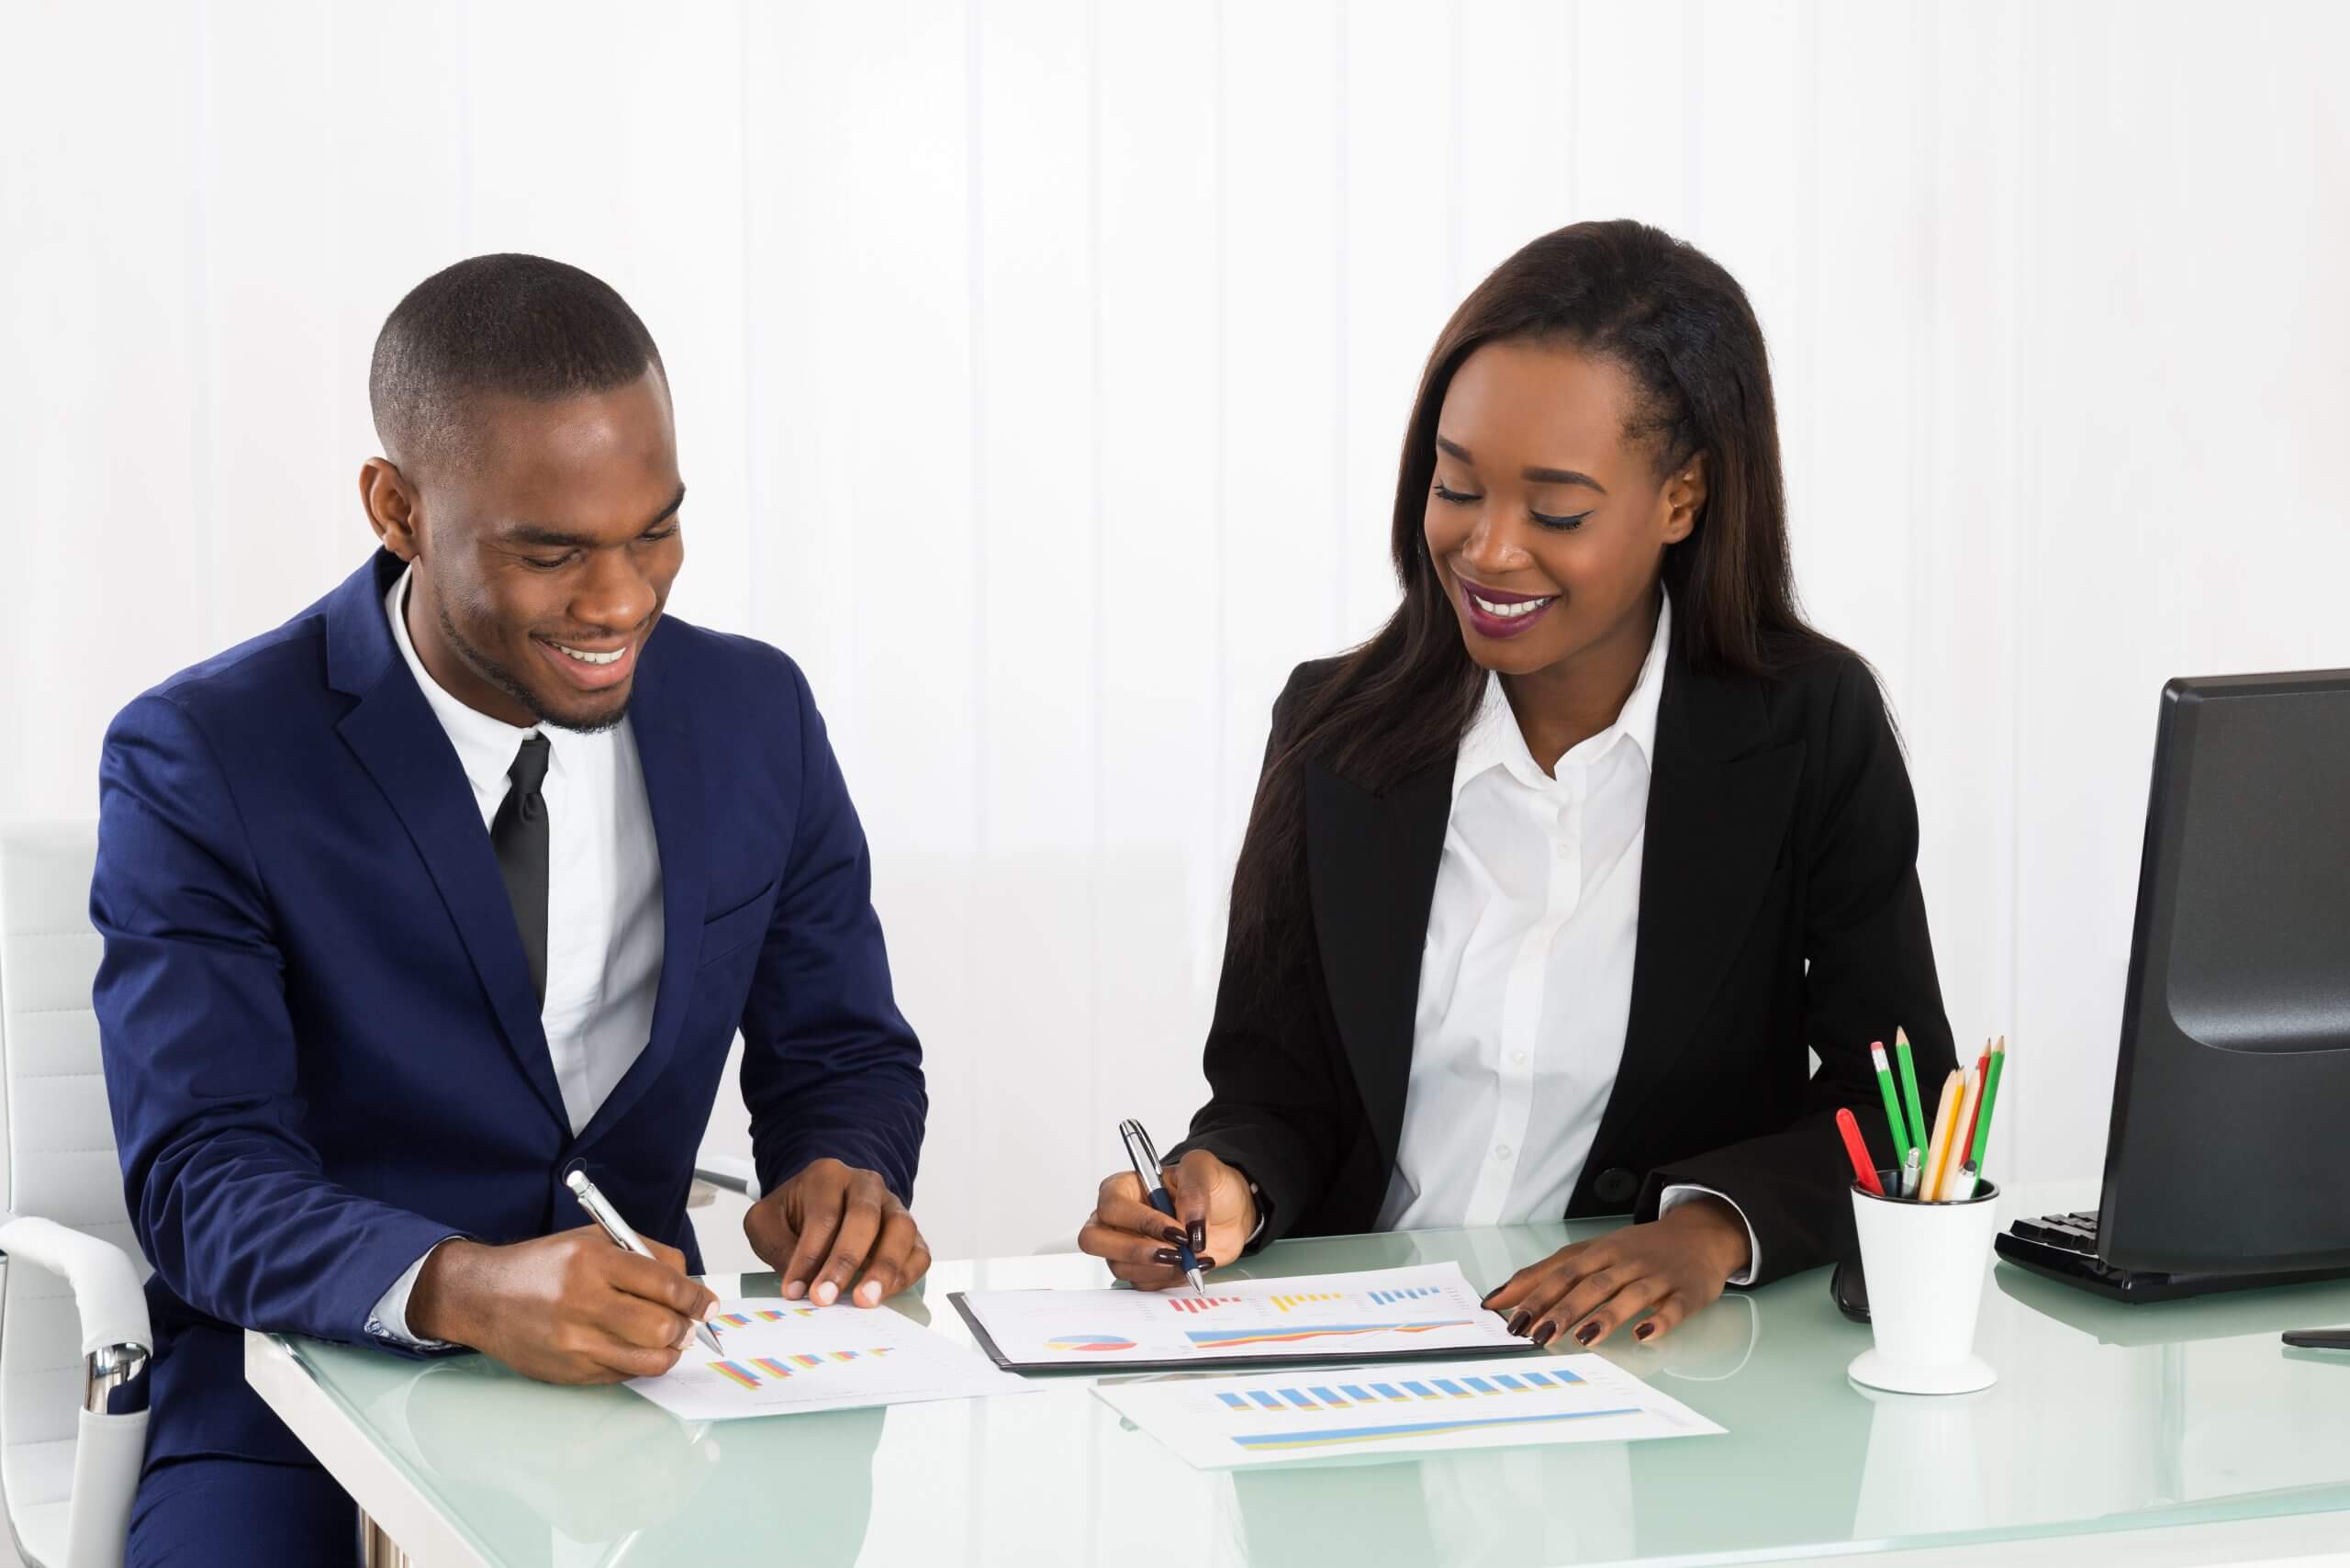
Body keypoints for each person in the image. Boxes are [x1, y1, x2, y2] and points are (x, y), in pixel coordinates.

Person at [93, 254, 931, 1563]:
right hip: (302, 1390)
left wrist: (845, 1170)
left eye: (654, 529)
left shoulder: (752, 716)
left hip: (663, 1384)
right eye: (551, 552)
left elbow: (842, 1050)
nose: (620, 600)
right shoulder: (207, 756)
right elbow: (204, 1178)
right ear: (398, 509)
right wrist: (464, 1287)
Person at [1078, 219, 1959, 1348]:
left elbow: (1901, 1105)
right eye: (1457, 489)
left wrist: (1702, 1232)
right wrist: (1224, 1178)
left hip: (1662, 1373)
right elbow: (1275, 1089)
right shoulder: (1333, 731)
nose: (1490, 551)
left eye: (1556, 512)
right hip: (1360, 1368)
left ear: (1682, 500)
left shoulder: (1806, 731)